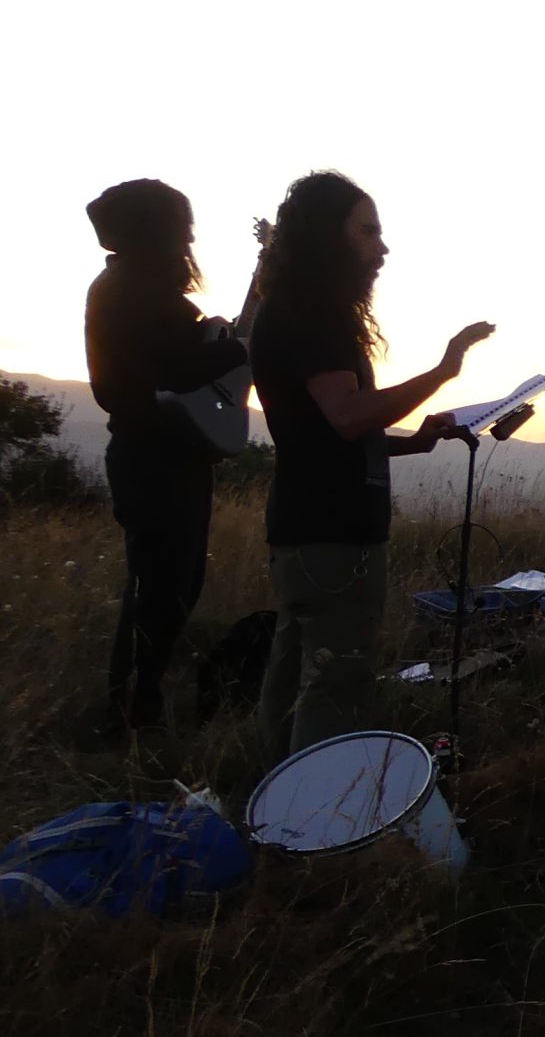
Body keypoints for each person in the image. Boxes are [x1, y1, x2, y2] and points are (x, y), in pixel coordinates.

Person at [252, 171, 493, 761]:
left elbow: (328, 433)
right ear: (326, 236)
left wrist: (415, 441)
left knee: (293, 673)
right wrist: (443, 371)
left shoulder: (296, 310)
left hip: (305, 529)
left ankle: (270, 791)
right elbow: (348, 416)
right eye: (367, 231)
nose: (381, 248)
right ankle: (315, 809)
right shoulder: (314, 317)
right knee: (337, 682)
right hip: (332, 535)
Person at [82, 179, 251, 731]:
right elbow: (175, 371)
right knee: (158, 591)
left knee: (172, 587)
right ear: (154, 231)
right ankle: (128, 715)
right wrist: (237, 347)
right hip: (152, 458)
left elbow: (183, 360)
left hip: (173, 455)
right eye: (182, 227)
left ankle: (138, 704)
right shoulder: (128, 292)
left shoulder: (139, 290)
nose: (189, 239)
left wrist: (224, 337)